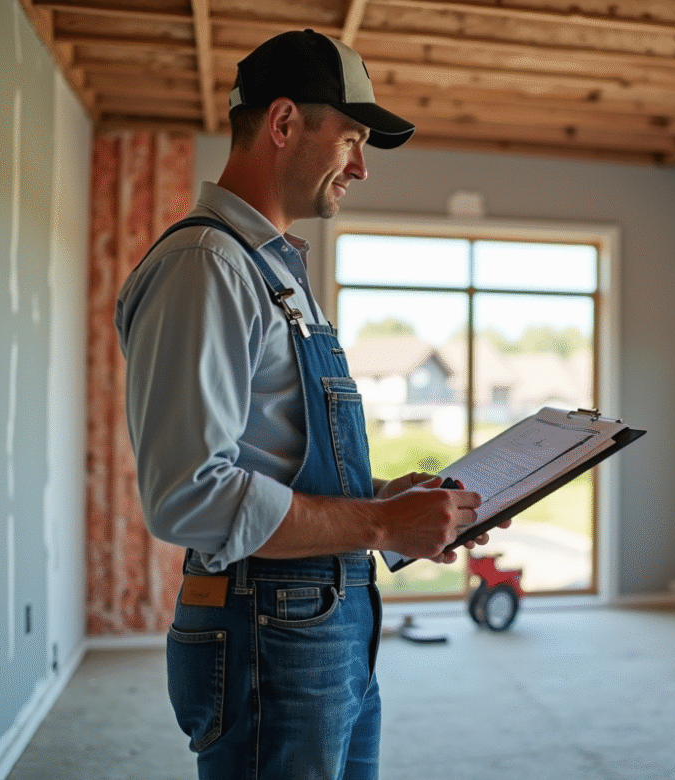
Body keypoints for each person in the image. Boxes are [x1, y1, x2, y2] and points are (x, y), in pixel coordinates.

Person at [115, 29, 500, 780]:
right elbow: (188, 495)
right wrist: (381, 524)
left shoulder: (271, 271)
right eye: (351, 139)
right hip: (271, 631)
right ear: (285, 122)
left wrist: (389, 500)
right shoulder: (208, 267)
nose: (360, 167)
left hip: (322, 624)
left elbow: (278, 457)